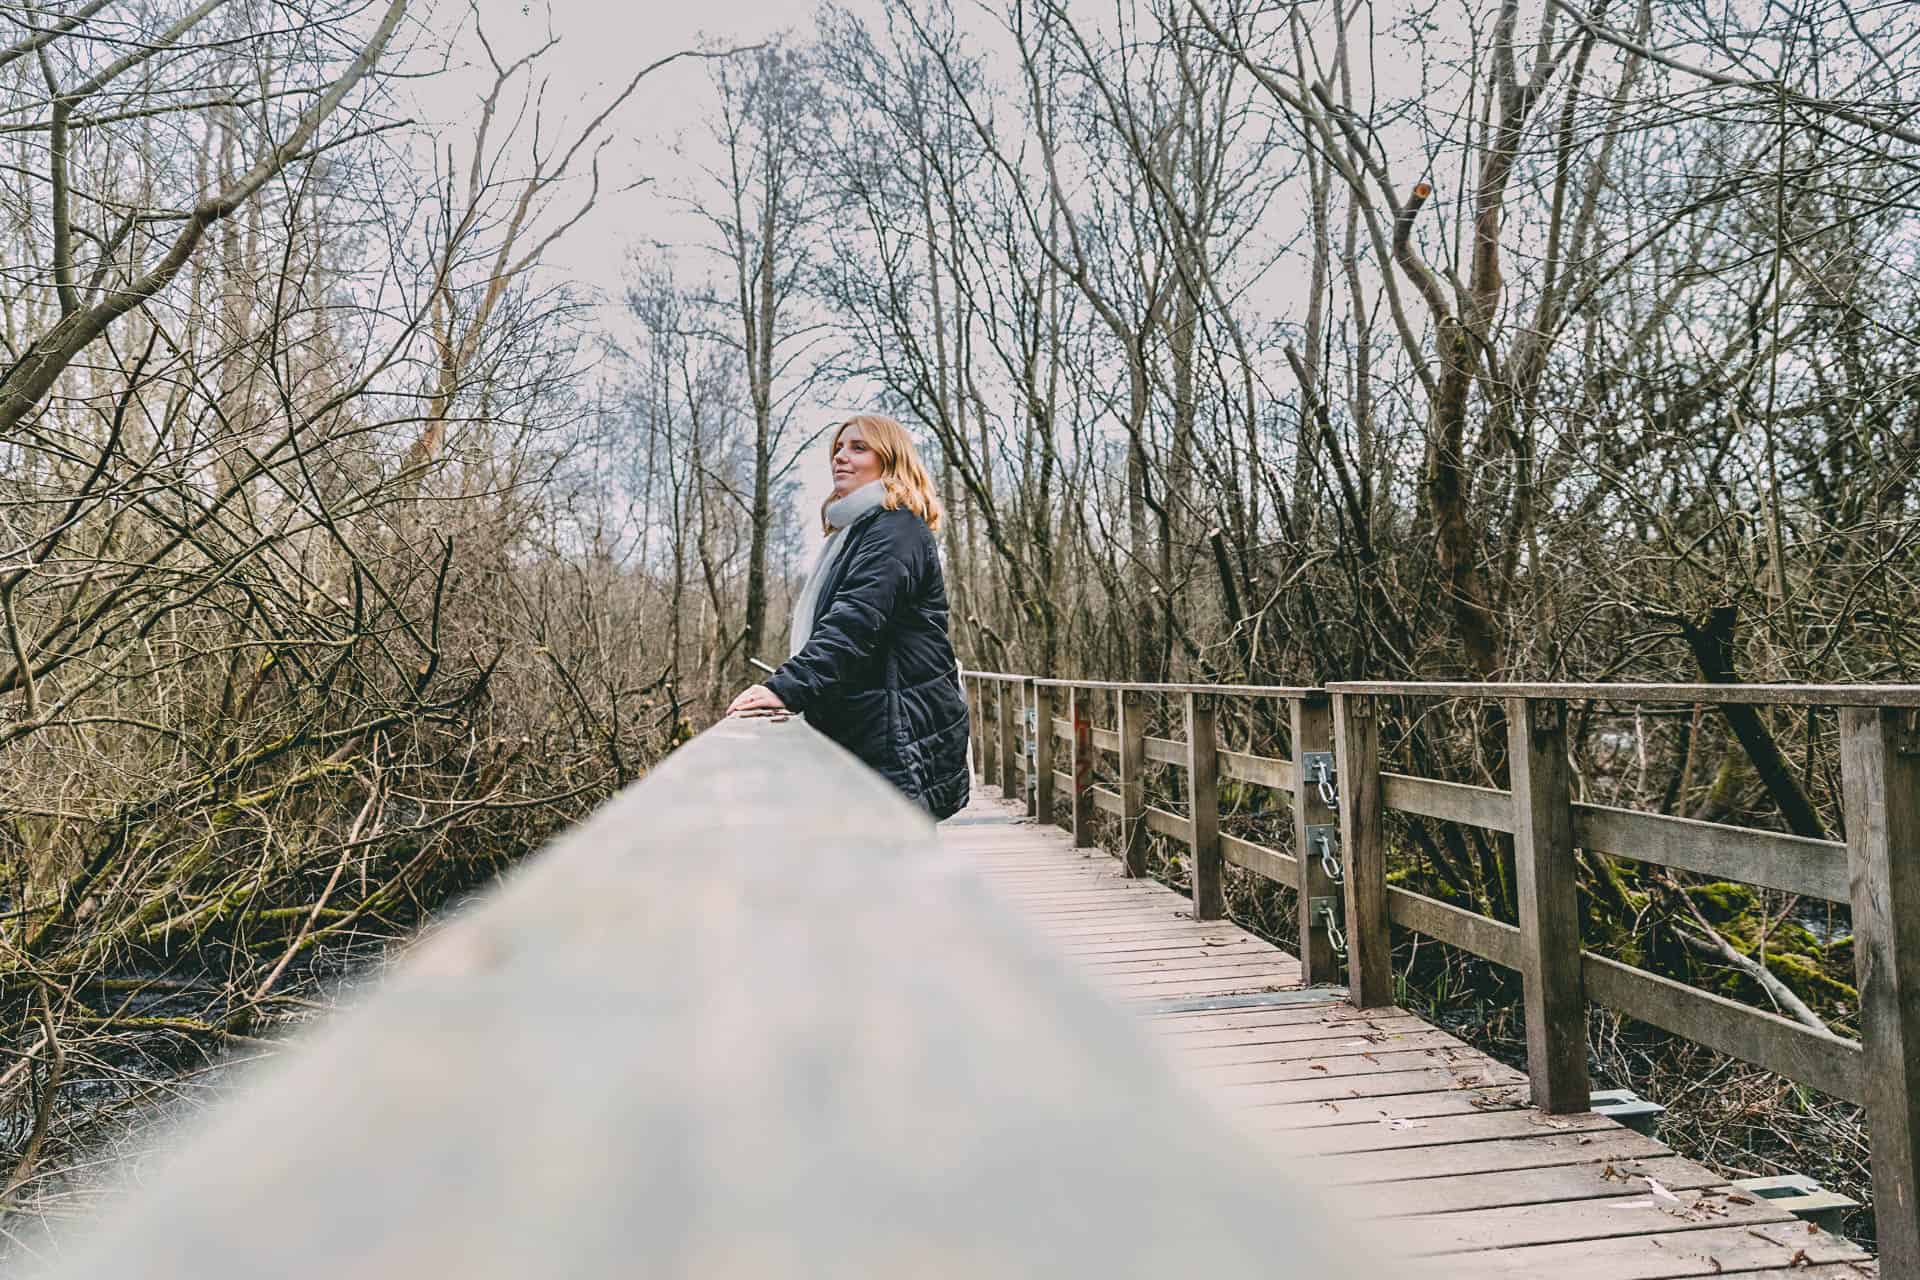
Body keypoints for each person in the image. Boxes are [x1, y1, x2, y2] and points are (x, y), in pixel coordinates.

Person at [727, 414, 971, 820]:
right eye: (838, 448)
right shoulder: (859, 532)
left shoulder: (896, 529)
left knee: (890, 867)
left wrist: (787, 688)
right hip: (872, 724)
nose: (841, 457)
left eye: (858, 448)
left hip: (895, 727)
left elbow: (855, 619)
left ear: (890, 460)